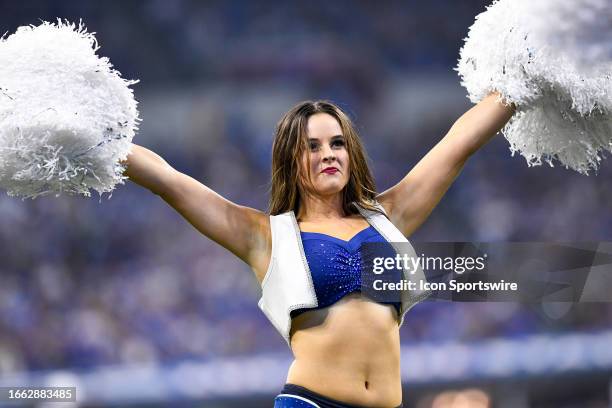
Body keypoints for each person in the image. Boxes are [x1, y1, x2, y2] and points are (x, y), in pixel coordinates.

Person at [122, 92, 515, 408]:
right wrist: (97, 137)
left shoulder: (388, 217)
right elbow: (167, 181)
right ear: (291, 162)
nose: (328, 153)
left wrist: (519, 82)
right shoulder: (264, 235)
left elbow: (458, 143)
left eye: (337, 143)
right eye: (312, 146)